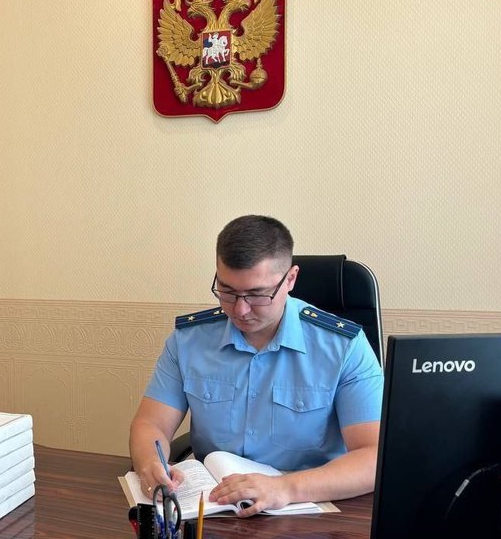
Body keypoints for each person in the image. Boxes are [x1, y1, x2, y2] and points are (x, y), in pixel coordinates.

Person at [128, 215, 383, 515]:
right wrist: (150, 463)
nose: (240, 309)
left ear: (290, 279)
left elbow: (374, 456)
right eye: (227, 291)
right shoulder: (189, 340)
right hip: (216, 510)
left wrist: (285, 488)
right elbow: (151, 424)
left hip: (309, 509)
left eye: (257, 294)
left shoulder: (343, 346)